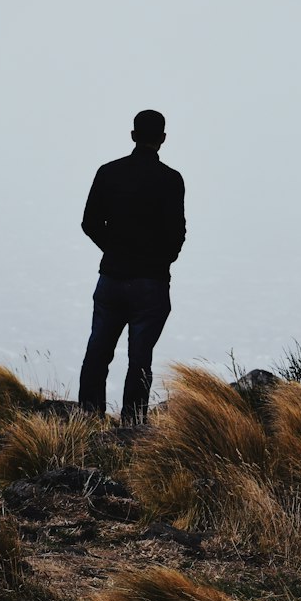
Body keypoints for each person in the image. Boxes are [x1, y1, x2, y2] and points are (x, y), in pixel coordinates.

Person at [77, 109, 186, 424]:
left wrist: (113, 250)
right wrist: (160, 260)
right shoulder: (171, 180)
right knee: (140, 359)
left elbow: (90, 223)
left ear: (133, 135)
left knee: (98, 351)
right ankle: (132, 425)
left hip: (112, 277)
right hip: (150, 283)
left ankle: (89, 419)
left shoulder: (109, 172)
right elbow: (177, 233)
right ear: (162, 139)